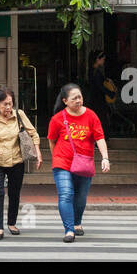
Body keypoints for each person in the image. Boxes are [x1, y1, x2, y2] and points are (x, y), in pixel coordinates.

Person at [47, 83, 110, 243]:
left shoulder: (91, 116)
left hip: (84, 163)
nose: (78, 100)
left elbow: (99, 138)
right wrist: (56, 158)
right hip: (62, 163)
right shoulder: (57, 119)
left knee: (80, 198)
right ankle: (69, 230)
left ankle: (77, 222)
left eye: (80, 97)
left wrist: (105, 157)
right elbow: (52, 140)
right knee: (66, 194)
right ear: (65, 101)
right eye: (74, 98)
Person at [0, 88, 41, 239]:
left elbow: (33, 133)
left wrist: (38, 152)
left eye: (10, 104)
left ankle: (12, 223)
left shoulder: (19, 115)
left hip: (16, 161)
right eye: (4, 104)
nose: (8, 107)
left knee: (14, 193)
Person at [87, 51, 117, 133]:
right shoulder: (96, 72)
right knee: (102, 119)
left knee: (98, 119)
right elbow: (100, 86)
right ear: (98, 59)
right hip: (98, 100)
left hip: (95, 99)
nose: (103, 61)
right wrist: (110, 93)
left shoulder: (92, 71)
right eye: (103, 59)